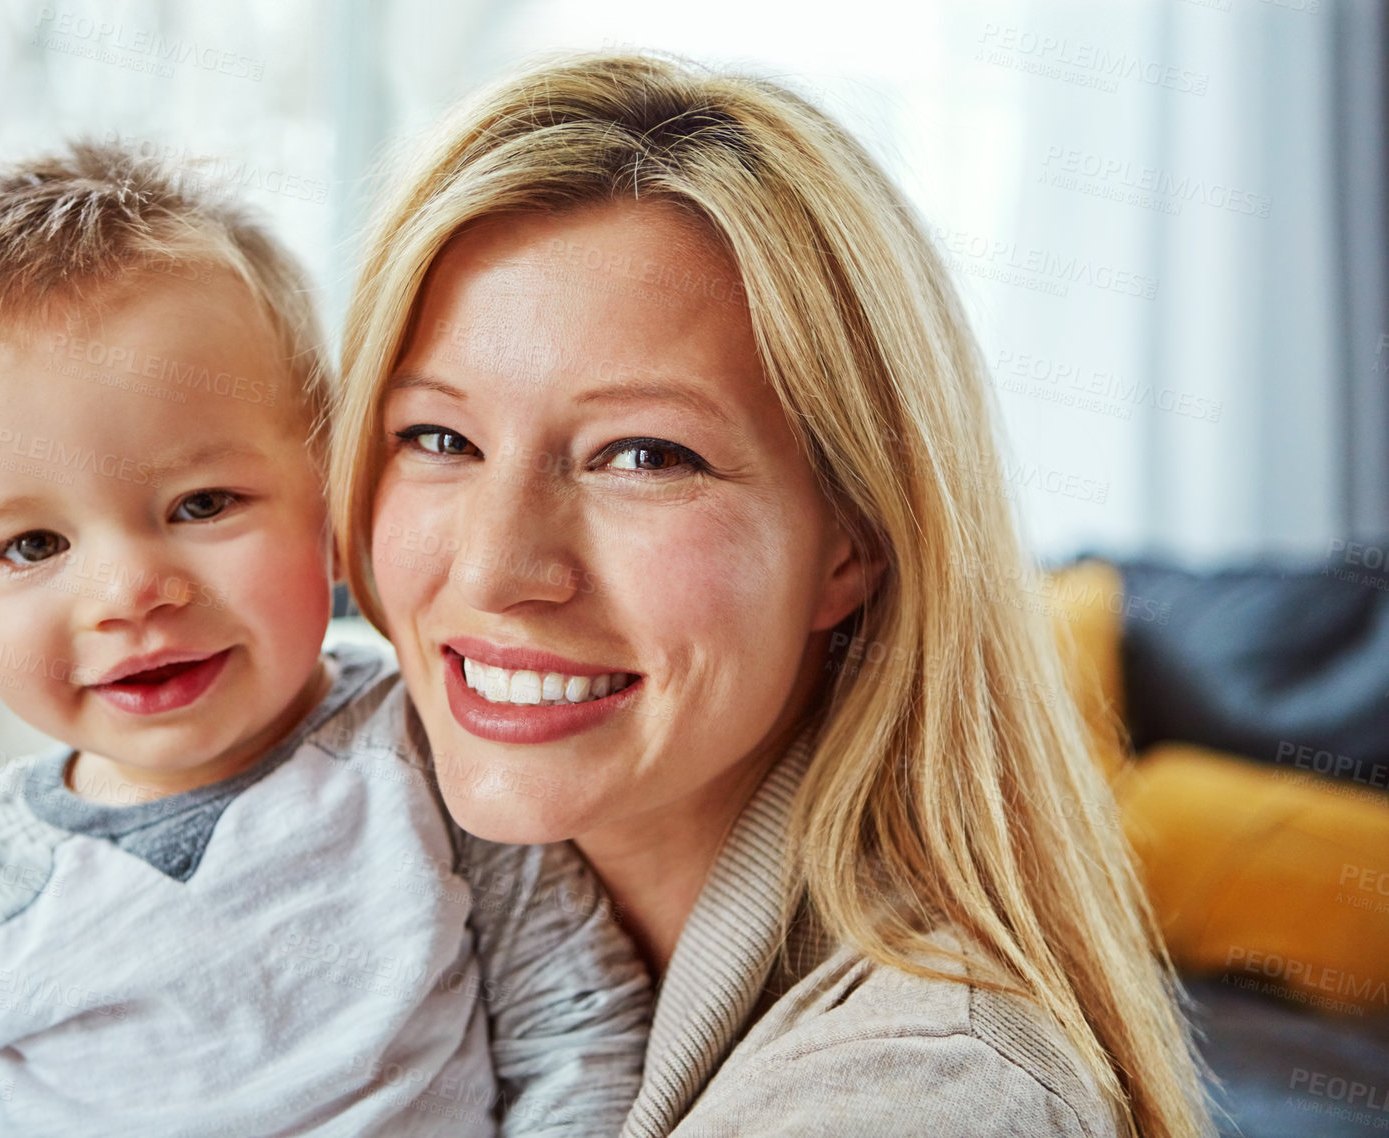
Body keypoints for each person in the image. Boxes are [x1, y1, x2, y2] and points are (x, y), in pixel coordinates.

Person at [329, 53, 1215, 1137]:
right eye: (437, 436)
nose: (492, 571)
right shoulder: (338, 856)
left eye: (644, 455)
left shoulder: (924, 1095)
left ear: (850, 541)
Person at [0, 141, 649, 1138]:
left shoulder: (424, 753)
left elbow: (572, 1022)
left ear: (334, 510)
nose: (128, 592)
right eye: (32, 544)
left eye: (201, 503)